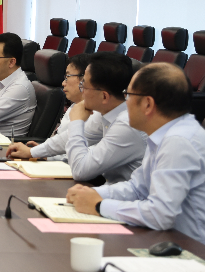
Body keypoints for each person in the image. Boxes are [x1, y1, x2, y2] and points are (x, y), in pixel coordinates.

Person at [66, 63, 205, 247]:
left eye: (128, 95)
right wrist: (92, 193)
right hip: (170, 242)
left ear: (148, 104)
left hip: (200, 253)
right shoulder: (163, 134)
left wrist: (99, 205)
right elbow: (138, 188)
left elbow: (160, 215)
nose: (125, 102)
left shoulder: (179, 141)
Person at [10, 52, 145, 183]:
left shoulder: (127, 125)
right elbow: (68, 138)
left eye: (84, 86)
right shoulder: (106, 111)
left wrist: (77, 121)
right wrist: (32, 152)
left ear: (104, 96)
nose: (82, 91)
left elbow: (80, 170)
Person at [6, 52, 92, 162]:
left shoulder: (95, 114)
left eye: (67, 77)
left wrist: (41, 154)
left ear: (85, 79)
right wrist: (40, 151)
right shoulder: (75, 105)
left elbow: (80, 158)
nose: (63, 83)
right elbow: (63, 141)